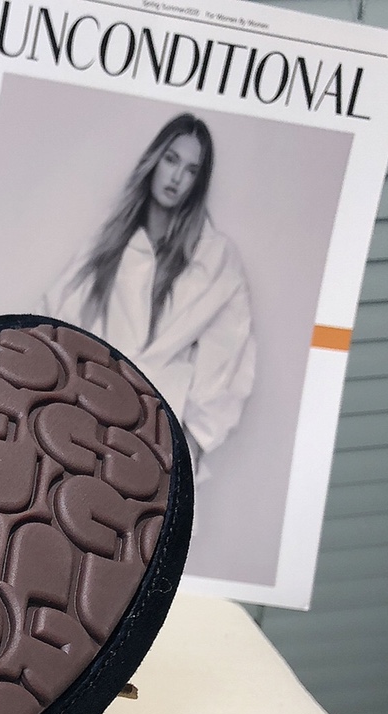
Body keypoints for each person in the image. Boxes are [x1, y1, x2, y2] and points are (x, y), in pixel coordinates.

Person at [43, 113, 256, 479]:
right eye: (171, 160)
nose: (177, 177)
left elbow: (227, 351)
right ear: (155, 160)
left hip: (162, 437)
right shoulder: (111, 241)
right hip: (91, 420)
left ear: (198, 182)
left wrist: (192, 441)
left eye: (191, 170)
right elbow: (57, 319)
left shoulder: (215, 256)